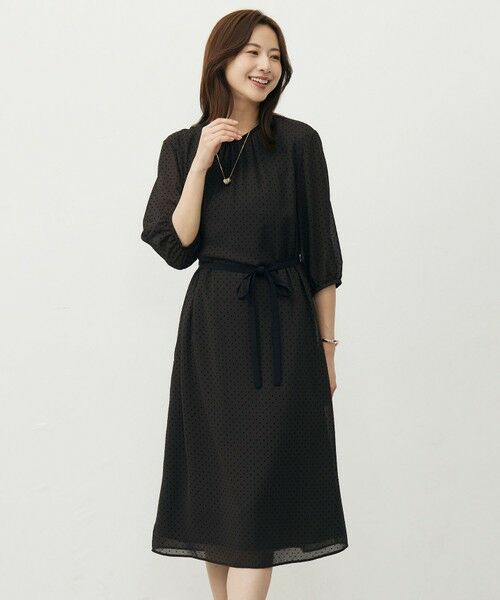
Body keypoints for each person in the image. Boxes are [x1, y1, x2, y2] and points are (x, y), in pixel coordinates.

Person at [141, 9, 348, 600]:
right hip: (214, 334)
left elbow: (322, 255)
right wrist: (202, 162)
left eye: (275, 56)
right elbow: (177, 246)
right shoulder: (182, 147)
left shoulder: (299, 143)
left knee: (260, 503)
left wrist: (327, 348)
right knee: (221, 496)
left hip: (284, 330)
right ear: (223, 59)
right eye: (253, 52)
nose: (265, 66)